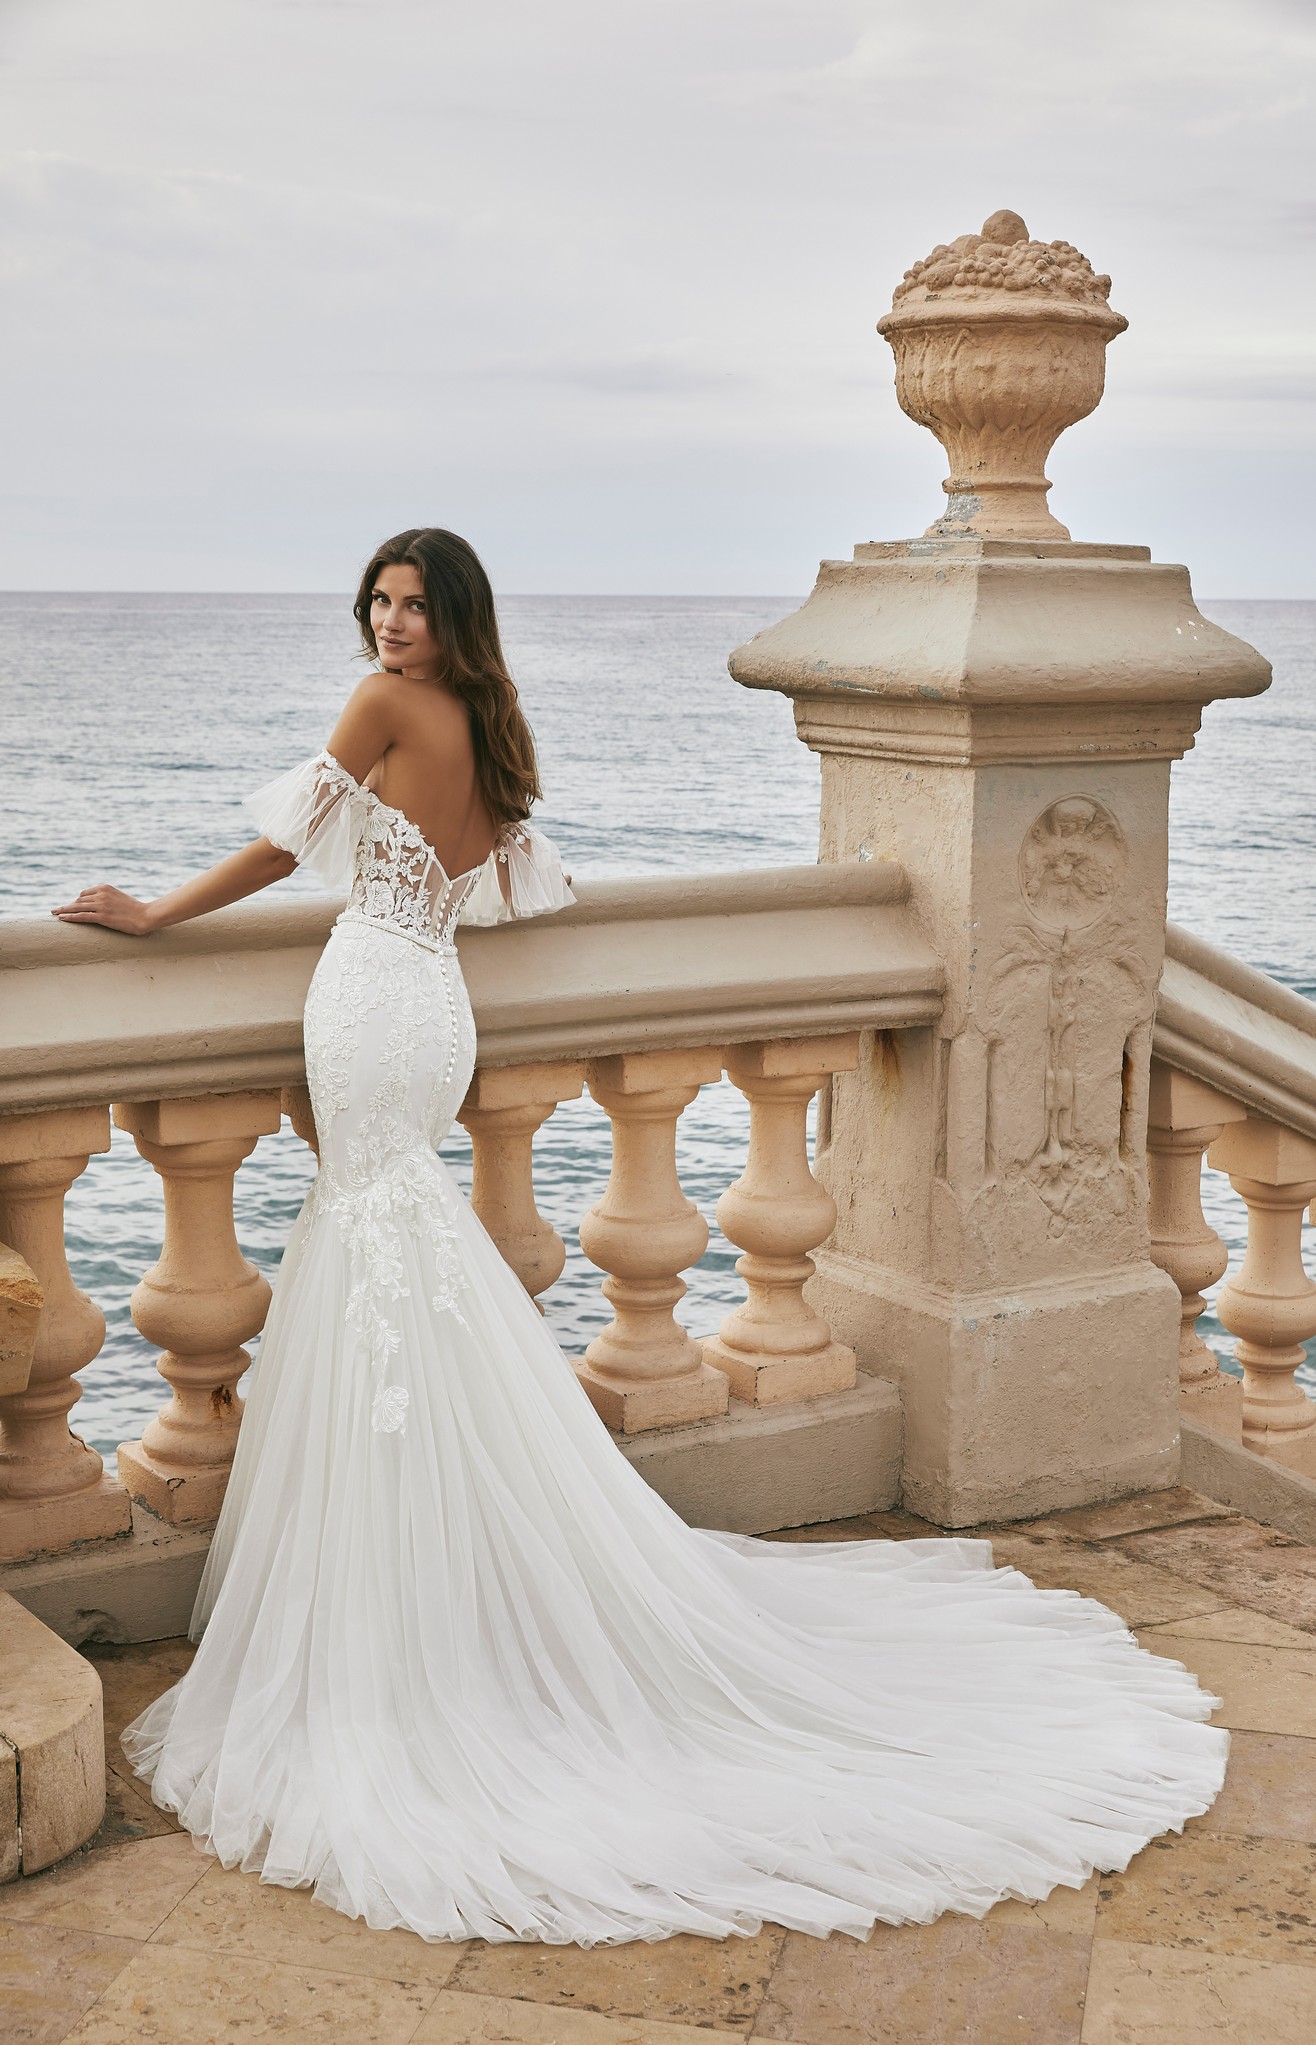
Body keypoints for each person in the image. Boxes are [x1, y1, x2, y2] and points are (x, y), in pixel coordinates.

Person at [53, 527, 1227, 1949]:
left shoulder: (379, 713)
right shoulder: (493, 727)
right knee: (396, 1249)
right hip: (430, 1005)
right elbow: (505, 884)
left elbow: (279, 844)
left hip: (370, 990)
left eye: (414, 605)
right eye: (379, 601)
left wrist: (152, 909)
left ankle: (393, 1602)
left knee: (369, 1250)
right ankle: (442, 1556)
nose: (387, 624)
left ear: (452, 615)